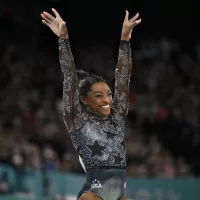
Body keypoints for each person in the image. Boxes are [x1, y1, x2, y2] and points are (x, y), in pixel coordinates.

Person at [41, 8, 141, 200]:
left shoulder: (117, 117)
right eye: (98, 96)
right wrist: (63, 39)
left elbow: (123, 78)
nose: (107, 100)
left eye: (109, 94)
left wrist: (125, 40)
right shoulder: (77, 119)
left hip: (119, 194)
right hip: (93, 194)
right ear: (84, 100)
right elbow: (70, 77)